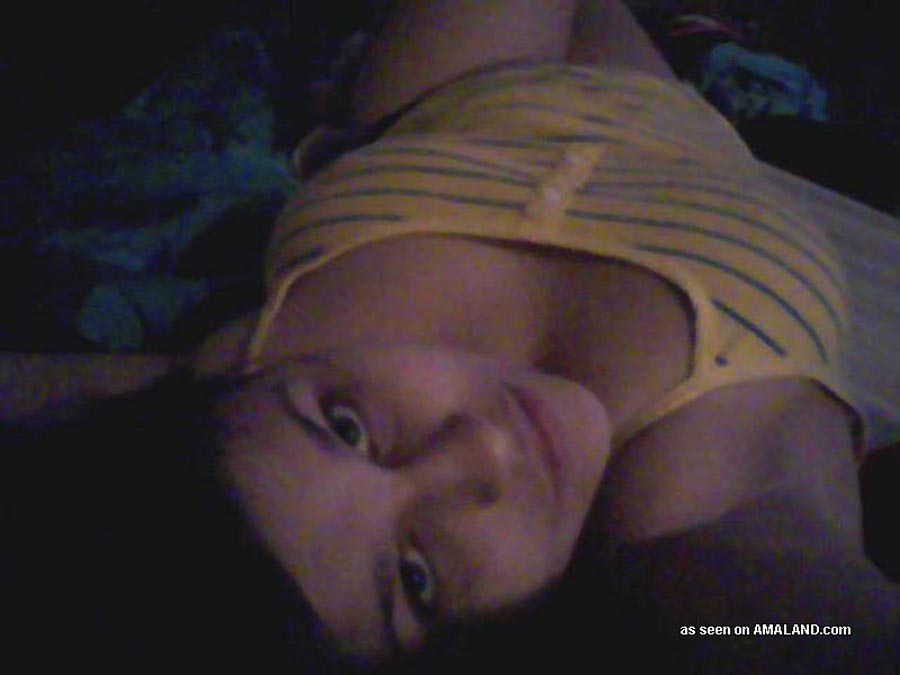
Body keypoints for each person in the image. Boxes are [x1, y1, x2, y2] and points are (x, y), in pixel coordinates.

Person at [2, 0, 898, 670]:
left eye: (346, 426)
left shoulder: (219, 402)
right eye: (418, 579)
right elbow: (795, 628)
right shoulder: (704, 513)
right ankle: (692, 33)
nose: (475, 448)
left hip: (443, 100)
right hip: (657, 121)